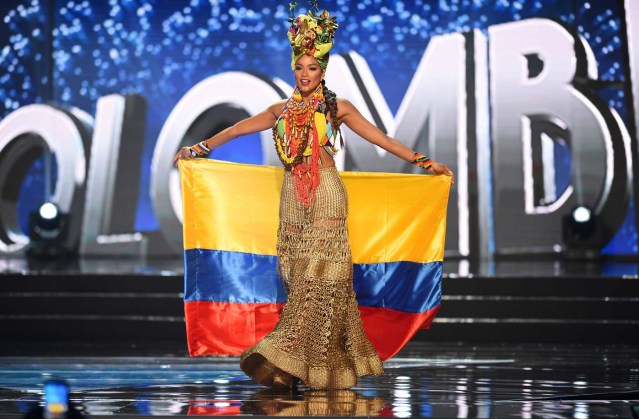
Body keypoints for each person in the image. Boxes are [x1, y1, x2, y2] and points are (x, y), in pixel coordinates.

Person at [174, 4, 453, 390]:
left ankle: (282, 359)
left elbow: (381, 139)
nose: (306, 75)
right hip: (292, 199)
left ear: (323, 71)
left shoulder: (337, 108)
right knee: (298, 279)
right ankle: (311, 365)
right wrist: (198, 149)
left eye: (313, 68)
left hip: (326, 195)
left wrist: (424, 162)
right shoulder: (279, 110)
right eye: (300, 68)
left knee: (317, 282)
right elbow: (237, 129)